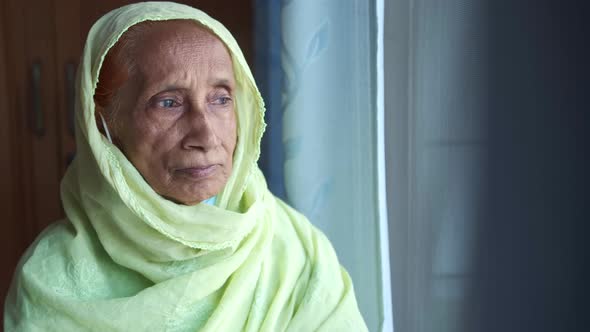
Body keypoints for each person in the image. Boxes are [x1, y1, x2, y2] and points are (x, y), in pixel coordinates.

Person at [3, 2, 367, 331]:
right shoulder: (51, 279)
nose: (205, 135)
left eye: (221, 99)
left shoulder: (295, 250)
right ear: (103, 126)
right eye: (168, 103)